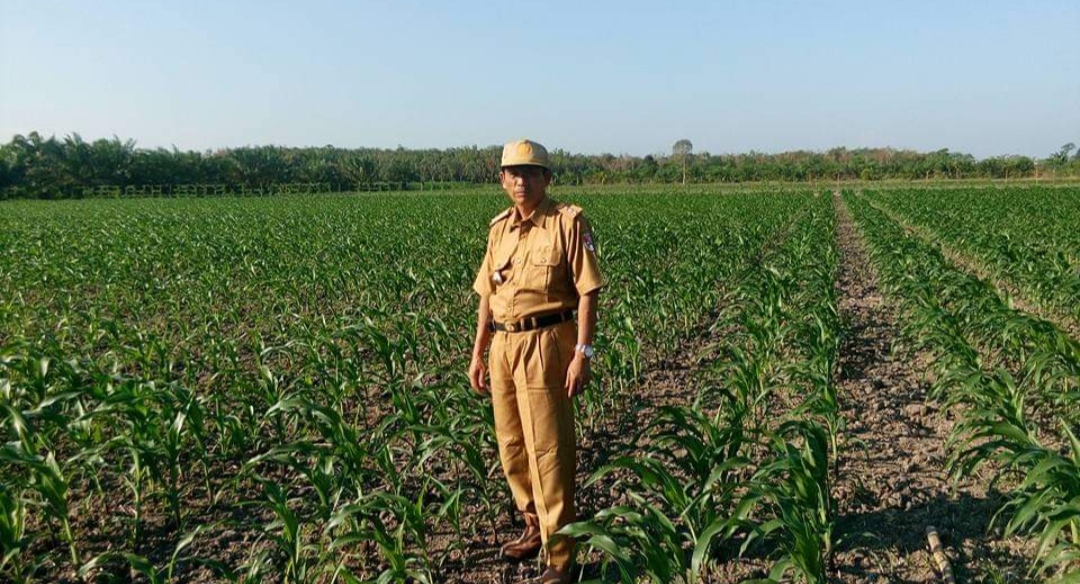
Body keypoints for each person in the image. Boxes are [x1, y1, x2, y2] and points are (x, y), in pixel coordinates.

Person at [468, 139, 603, 583]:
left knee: (549, 449)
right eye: (513, 173)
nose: (521, 181)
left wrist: (582, 352)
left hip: (546, 345)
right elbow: (488, 295)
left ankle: (560, 557)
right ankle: (532, 525)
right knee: (512, 446)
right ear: (503, 179)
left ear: (546, 178)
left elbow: (588, 291)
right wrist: (478, 352)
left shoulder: (567, 223)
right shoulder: (499, 230)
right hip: (504, 347)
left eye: (531, 173)